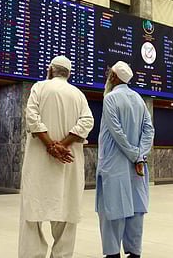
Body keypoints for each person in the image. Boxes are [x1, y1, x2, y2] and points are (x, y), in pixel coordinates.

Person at [19, 55, 94, 258]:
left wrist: (50, 145)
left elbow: (32, 117)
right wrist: (63, 144)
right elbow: (87, 122)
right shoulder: (78, 94)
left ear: (50, 69)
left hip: (38, 164)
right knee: (66, 213)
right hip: (67, 162)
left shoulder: (39, 87)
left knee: (31, 213)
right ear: (68, 73)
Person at [96, 61, 155, 258]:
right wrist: (140, 154)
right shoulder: (139, 99)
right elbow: (149, 130)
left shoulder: (110, 99)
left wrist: (132, 153)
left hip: (115, 164)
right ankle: (134, 252)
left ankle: (112, 253)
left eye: (109, 74)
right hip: (137, 165)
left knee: (113, 209)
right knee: (136, 210)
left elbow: (116, 132)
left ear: (113, 77)